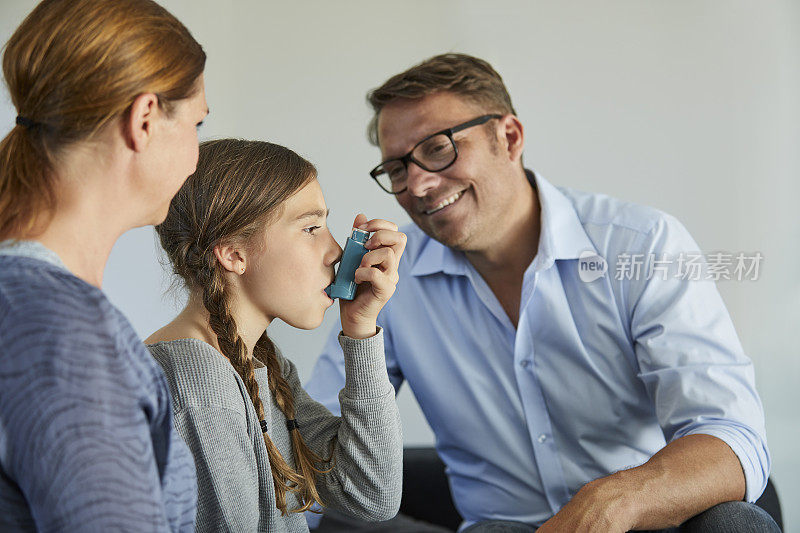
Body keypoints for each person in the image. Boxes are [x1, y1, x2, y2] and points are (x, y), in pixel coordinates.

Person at [306, 53, 778, 532]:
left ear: (508, 138)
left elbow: (731, 436)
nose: (419, 185)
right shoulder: (388, 283)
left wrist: (611, 501)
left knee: (735, 522)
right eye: (397, 168)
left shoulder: (643, 245)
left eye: (437, 149)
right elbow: (314, 442)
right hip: (499, 526)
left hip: (647, 520)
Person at [0, 0, 207, 530]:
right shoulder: (61, 329)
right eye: (197, 123)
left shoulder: (27, 302)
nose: (196, 153)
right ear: (144, 119)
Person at [145, 138, 405, 532]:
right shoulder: (200, 384)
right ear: (233, 254)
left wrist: (360, 329)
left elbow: (371, 495)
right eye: (311, 228)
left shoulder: (262, 361)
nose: (336, 251)